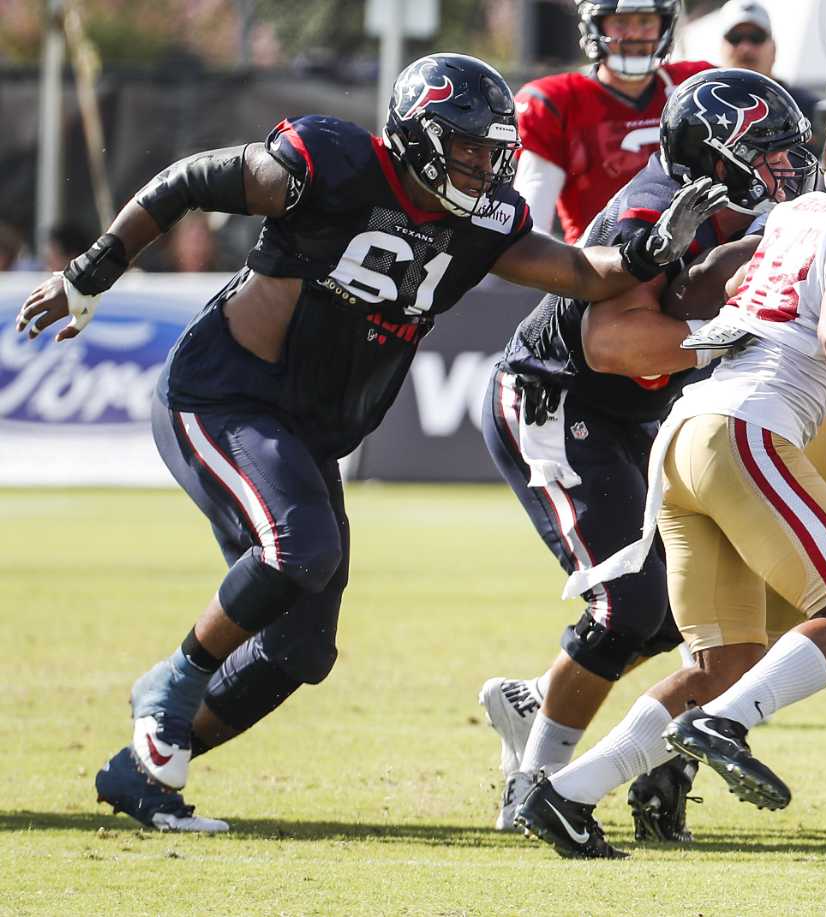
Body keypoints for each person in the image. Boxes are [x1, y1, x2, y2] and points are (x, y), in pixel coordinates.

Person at [13, 53, 718, 834]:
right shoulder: (330, 164)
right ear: (416, 137)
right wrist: (90, 273)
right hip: (223, 395)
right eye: (469, 149)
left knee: (301, 649)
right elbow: (189, 179)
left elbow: (580, 272)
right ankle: (170, 689)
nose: (485, 167)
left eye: (494, 151)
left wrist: (646, 256)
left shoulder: (482, 220)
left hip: (306, 428)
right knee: (298, 545)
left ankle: (145, 772)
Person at [508, 87, 826, 854]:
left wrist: (728, 324)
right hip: (737, 428)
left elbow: (692, 285)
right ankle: (722, 724)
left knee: (726, 660)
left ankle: (565, 794)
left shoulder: (799, 214)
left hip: (680, 434)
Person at [478, 67, 819, 840]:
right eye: (761, 153)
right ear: (713, 156)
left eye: (783, 152)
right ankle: (534, 781)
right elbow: (612, 343)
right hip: (558, 397)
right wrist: (727, 340)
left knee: (686, 613)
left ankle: (539, 699)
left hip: (635, 412)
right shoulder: (657, 207)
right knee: (628, 603)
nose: (783, 170)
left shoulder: (736, 209)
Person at [512, 0, 713, 241]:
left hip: (695, 260)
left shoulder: (696, 85)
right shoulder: (558, 101)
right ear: (595, 25)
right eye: (620, 22)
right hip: (596, 263)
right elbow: (532, 228)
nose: (634, 34)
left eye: (645, 21)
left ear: (664, 24)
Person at [707, 0, 820, 118]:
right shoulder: (702, 106)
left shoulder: (807, 110)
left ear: (774, 48)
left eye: (756, 37)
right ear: (721, 47)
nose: (746, 48)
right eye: (735, 38)